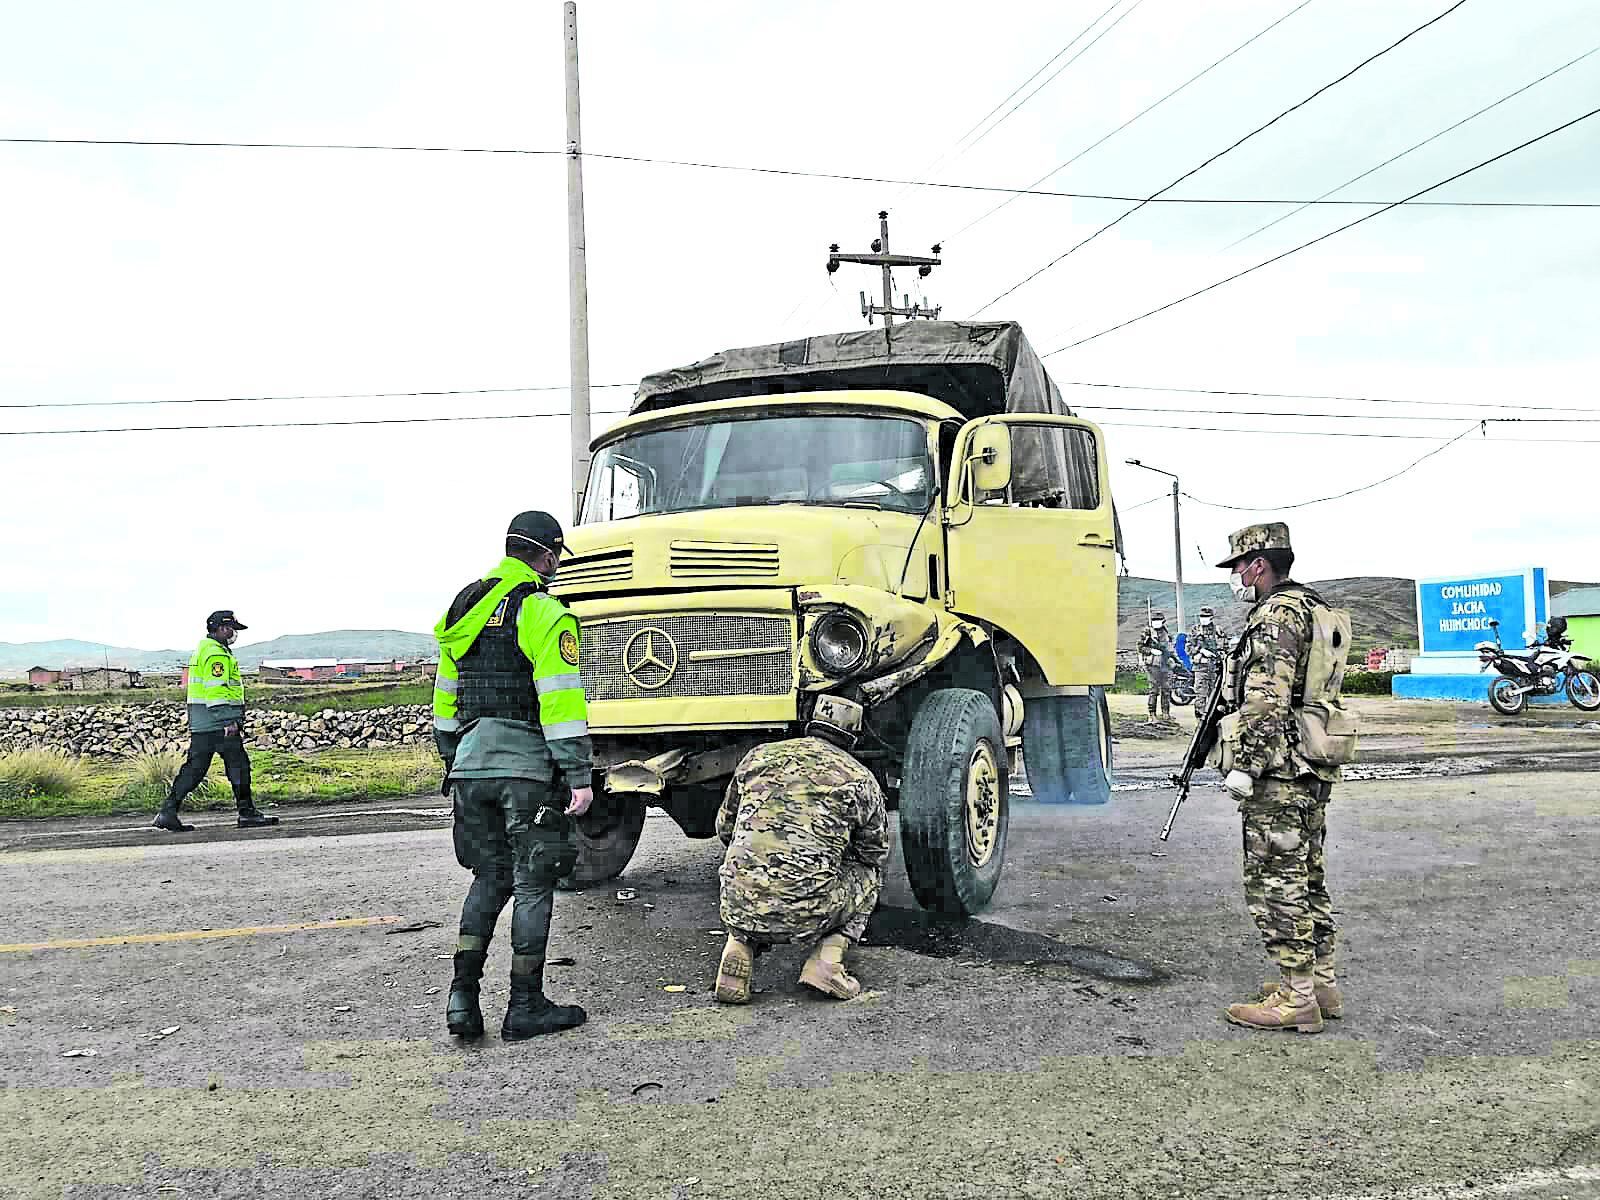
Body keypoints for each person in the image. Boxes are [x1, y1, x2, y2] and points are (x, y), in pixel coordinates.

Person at [432, 511, 594, 1042]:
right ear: (547, 556)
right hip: (524, 770)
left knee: (489, 878)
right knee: (532, 881)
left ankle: (462, 998)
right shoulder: (544, 611)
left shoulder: (465, 609)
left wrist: (455, 759)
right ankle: (525, 1004)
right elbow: (561, 703)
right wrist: (578, 774)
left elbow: (445, 702)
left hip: (469, 766)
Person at [1213, 522, 1351, 1034]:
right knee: (1309, 875)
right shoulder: (1316, 608)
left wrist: (1245, 767)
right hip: (1312, 760)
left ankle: (1296, 999)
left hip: (1279, 768)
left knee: (1276, 880)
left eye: (1238, 568)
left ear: (1259, 565)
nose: (1237, 578)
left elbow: (1266, 697)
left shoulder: (1275, 616)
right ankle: (1322, 984)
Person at [713, 696, 890, 1005]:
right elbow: (873, 853)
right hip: (808, 911)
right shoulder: (860, 778)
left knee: (747, 869)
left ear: (811, 724)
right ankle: (826, 963)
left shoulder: (758, 757)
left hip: (738, 904)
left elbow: (725, 829)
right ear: (853, 736)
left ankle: (737, 951)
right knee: (870, 876)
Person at [153, 610, 278, 832]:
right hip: (217, 722)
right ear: (221, 628)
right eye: (231, 629)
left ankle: (168, 811)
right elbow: (216, 690)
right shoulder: (216, 655)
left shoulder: (206, 650)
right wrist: (227, 719)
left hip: (204, 721)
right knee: (238, 765)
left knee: (196, 767)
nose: (233, 634)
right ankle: (246, 813)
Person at [1137, 611, 1178, 721]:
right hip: (1153, 665)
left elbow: (1170, 649)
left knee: (1166, 689)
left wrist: (1174, 660)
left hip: (1165, 665)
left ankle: (1166, 713)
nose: (1156, 622)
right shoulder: (1147, 632)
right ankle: (1152, 715)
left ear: (1163, 621)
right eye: (1154, 620)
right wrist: (1151, 650)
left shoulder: (1166, 633)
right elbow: (1140, 647)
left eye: (1158, 620)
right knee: (1153, 690)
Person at [1187, 605, 1229, 704]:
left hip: (1216, 668)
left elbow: (1226, 648)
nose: (1203, 619)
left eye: (1206, 617)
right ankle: (1200, 718)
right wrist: (1201, 650)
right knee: (1200, 695)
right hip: (1201, 667)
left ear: (1211, 617)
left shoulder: (1218, 630)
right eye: (1201, 617)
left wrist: (1220, 654)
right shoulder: (1195, 630)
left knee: (1215, 696)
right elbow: (1188, 648)